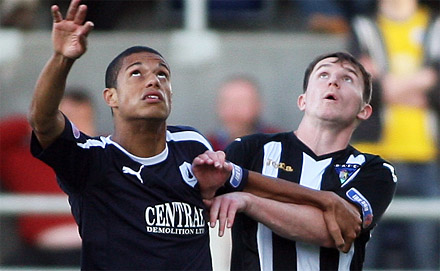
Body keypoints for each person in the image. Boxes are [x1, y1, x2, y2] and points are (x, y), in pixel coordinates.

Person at [28, 0, 365, 269]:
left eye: (163, 74)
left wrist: (326, 199)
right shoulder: (92, 158)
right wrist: (62, 58)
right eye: (136, 73)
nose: (153, 80)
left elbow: (244, 180)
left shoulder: (191, 144)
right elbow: (43, 121)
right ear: (111, 97)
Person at [192, 52, 397, 270]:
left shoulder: (375, 170)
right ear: (303, 100)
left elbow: (332, 231)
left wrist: (250, 201)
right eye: (323, 74)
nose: (333, 82)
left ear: (364, 111)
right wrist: (206, 182)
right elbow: (203, 204)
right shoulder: (250, 149)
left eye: (347, 78)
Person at [349, 0, 440, 268]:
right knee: (363, 255)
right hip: (371, 157)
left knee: (426, 257)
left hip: (426, 155)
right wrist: (422, 80)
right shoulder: (363, 27)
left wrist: (384, 85)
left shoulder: (435, 25)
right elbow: (355, 92)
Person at [0, 89, 95, 267]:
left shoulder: (104, 155)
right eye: (67, 118)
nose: (74, 126)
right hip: (42, 253)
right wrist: (34, 121)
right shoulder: (21, 157)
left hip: (96, 249)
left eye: (82, 119)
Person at [207, 75, 279, 151]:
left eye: (242, 103)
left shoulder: (279, 143)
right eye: (226, 103)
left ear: (258, 105)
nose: (233, 111)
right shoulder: (206, 148)